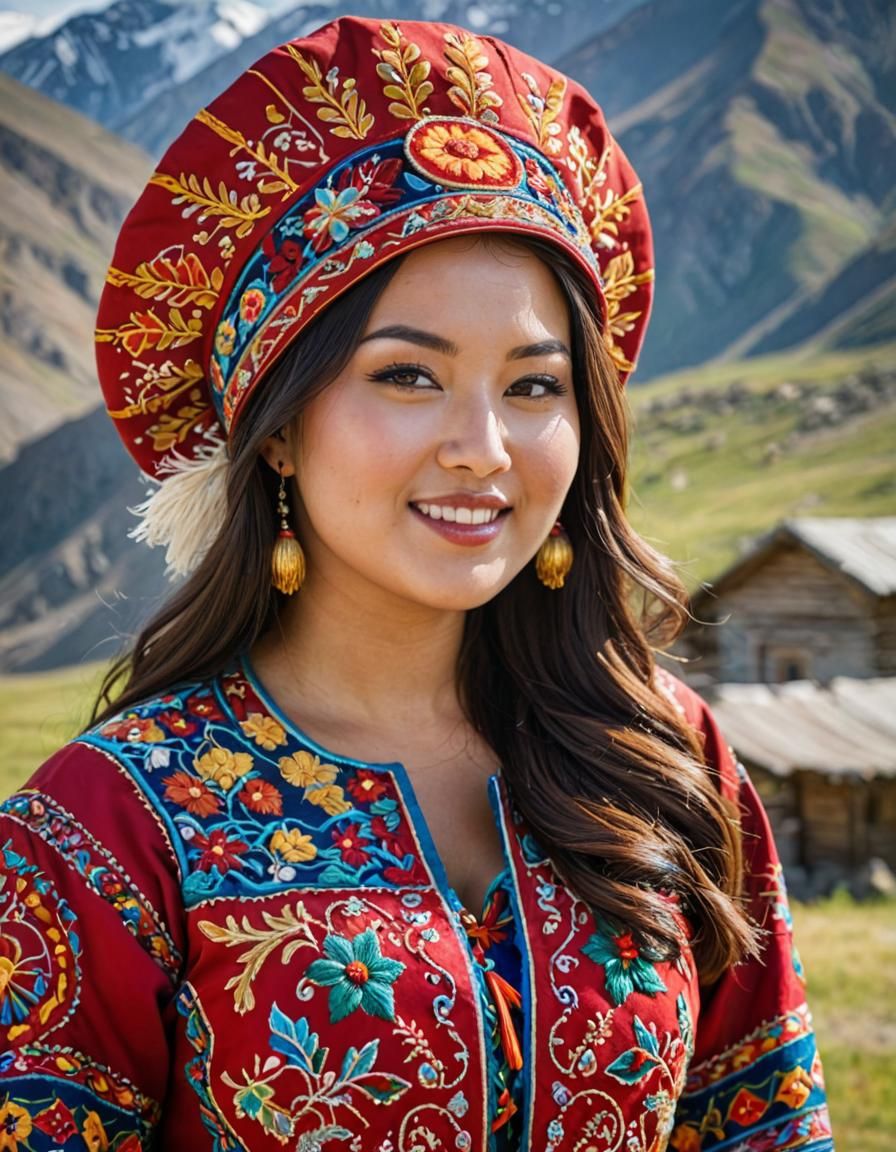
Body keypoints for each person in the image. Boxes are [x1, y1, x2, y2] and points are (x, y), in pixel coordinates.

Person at [0, 14, 833, 1152]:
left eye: (534, 388)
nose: (483, 446)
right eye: (406, 376)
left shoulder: (666, 768)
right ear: (278, 429)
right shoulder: (106, 827)